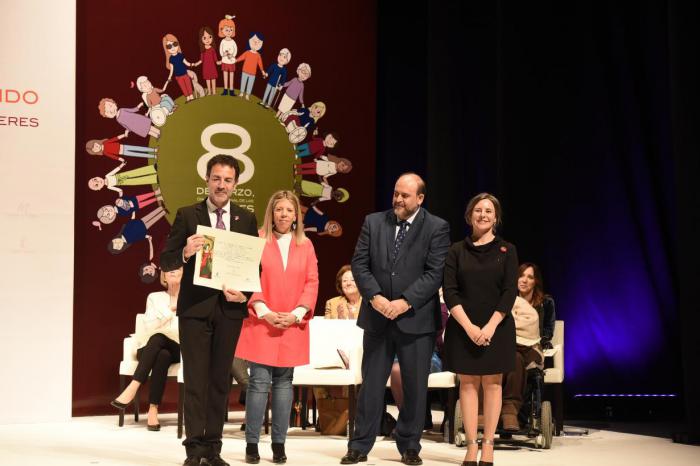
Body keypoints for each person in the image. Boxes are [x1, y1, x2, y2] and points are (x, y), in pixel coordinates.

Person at [341, 173, 450, 466]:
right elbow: (359, 263)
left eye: (405, 195)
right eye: (396, 193)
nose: (398, 199)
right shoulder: (373, 222)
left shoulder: (437, 227)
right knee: (371, 386)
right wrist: (375, 297)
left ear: (420, 198)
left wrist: (404, 302)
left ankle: (409, 446)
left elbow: (434, 272)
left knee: (414, 388)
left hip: (415, 320)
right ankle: (360, 445)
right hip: (377, 318)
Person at [160, 155, 258, 466]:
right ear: (207, 179)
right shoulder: (188, 215)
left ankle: (213, 449)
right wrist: (186, 252)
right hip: (195, 311)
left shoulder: (246, 218)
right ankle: (194, 449)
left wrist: (243, 292)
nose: (221, 185)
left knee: (219, 382)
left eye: (227, 180)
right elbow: (166, 260)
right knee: (196, 382)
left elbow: (253, 266)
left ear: (236, 184)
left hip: (229, 311)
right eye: (216, 178)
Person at [235, 190, 319, 464]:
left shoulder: (305, 245)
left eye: (289, 210)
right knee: (258, 383)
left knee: (284, 383)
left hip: (292, 324)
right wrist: (264, 311)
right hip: (262, 322)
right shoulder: (257, 240)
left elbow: (312, 282)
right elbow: (248, 278)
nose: (284, 215)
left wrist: (296, 313)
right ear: (271, 212)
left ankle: (279, 444)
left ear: (297, 215)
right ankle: (251, 444)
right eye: (279, 209)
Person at [442, 192, 518, 466]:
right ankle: (471, 445)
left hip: (496, 327)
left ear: (496, 218)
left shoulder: (507, 250)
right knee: (469, 384)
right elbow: (450, 292)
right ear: (469, 215)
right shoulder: (456, 250)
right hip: (464, 326)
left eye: (488, 211)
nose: (483, 215)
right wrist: (470, 327)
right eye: (478, 210)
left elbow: (510, 292)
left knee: (493, 383)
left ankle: (489, 444)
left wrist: (489, 326)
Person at [110, 267, 183, 430]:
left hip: (177, 348)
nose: (173, 270)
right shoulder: (154, 298)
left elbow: (185, 332)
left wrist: (167, 316)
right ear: (163, 274)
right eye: (169, 268)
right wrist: (170, 312)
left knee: (160, 339)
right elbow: (149, 327)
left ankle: (133, 386)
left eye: (178, 267)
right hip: (150, 347)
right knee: (161, 351)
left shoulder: (189, 300)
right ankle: (153, 410)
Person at [501, 262, 556, 431]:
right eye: (521, 275)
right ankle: (506, 413)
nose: (524, 280)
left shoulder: (545, 302)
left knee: (522, 361)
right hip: (509, 346)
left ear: (535, 282)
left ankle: (518, 414)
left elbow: (547, 330)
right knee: (514, 358)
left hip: (532, 346)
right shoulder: (506, 299)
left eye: (530, 277)